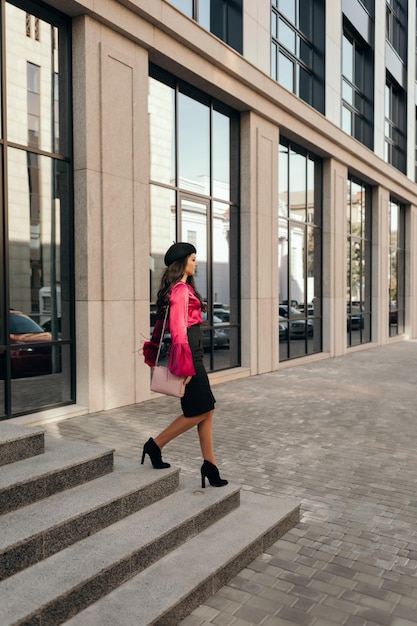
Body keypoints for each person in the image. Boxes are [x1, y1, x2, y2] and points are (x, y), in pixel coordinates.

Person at [141, 242, 228, 489]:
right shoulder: (180, 291)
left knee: (207, 409)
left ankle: (209, 465)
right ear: (183, 263)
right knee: (200, 410)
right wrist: (185, 367)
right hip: (190, 355)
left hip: (194, 353)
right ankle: (155, 445)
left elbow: (163, 327)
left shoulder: (182, 289)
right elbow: (178, 331)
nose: (196, 263)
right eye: (193, 259)